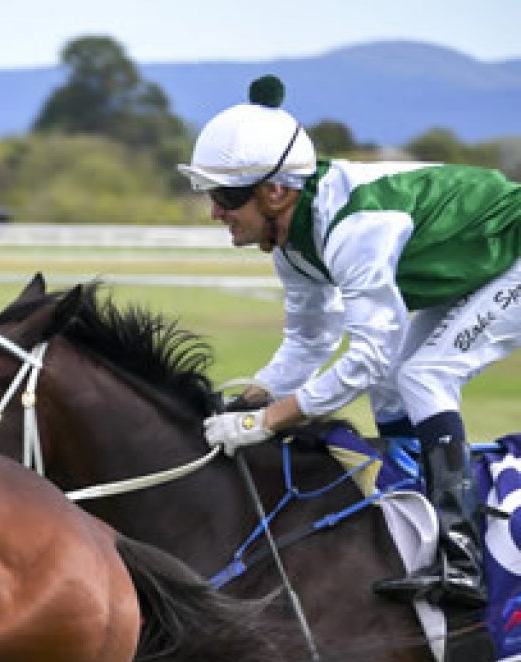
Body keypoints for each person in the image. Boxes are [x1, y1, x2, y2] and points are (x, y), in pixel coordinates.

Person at [181, 76, 521, 610]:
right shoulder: (291, 244)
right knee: (391, 384)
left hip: (510, 253)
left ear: (276, 191)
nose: (215, 212)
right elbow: (309, 342)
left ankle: (462, 558)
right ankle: (417, 517)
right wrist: (246, 403)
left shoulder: (354, 228)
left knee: (423, 375)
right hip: (473, 265)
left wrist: (268, 422)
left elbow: (367, 355)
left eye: (226, 197)